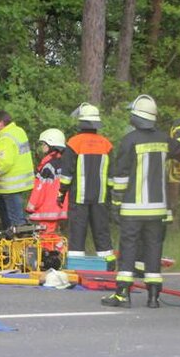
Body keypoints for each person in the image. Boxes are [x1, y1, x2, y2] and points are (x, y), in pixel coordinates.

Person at [101, 94, 180, 309]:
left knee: (129, 248)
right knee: (153, 249)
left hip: (132, 209)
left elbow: (120, 177)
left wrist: (115, 205)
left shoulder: (129, 141)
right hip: (157, 210)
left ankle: (123, 295)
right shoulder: (163, 140)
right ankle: (153, 297)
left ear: (136, 117)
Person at [58, 103, 115, 269]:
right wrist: (109, 194)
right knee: (102, 231)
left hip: (79, 197)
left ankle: (76, 266)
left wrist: (61, 193)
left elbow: (66, 175)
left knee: (78, 231)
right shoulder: (107, 144)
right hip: (101, 197)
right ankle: (109, 264)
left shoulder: (74, 143)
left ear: (81, 122)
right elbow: (112, 175)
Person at [0, 109, 34, 230]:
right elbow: (0, 136)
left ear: (2, 122)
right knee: (3, 207)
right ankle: (10, 236)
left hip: (11, 185)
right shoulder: (17, 131)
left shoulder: (6, 139)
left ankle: (18, 242)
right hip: (20, 183)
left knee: (16, 218)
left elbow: (5, 163)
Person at [26, 128, 68, 232]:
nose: (42, 147)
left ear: (52, 146)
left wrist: (31, 206)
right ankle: (58, 248)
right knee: (52, 236)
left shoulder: (48, 166)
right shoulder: (65, 164)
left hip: (47, 208)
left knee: (46, 238)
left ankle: (54, 248)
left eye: (44, 144)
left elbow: (39, 189)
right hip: (59, 208)